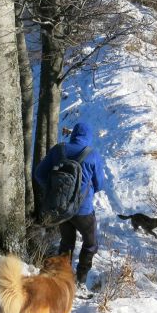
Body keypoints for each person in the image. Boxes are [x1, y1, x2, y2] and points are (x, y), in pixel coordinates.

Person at [33, 121, 106, 289]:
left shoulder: (58, 150)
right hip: (83, 210)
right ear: (88, 137)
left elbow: (39, 174)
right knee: (91, 243)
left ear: (73, 135)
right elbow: (100, 184)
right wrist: (83, 194)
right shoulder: (92, 155)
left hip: (62, 209)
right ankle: (80, 280)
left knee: (66, 243)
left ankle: (60, 279)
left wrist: (54, 191)